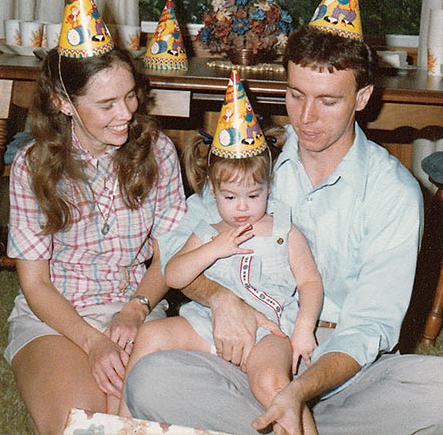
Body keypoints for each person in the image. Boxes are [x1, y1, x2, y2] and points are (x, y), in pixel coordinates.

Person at [123, 26, 443, 435]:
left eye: (328, 101)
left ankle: (280, 423)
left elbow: (370, 327)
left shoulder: (393, 192)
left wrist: (297, 392)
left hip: (343, 374)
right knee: (151, 379)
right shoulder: (255, 158)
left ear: (361, 98)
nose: (306, 117)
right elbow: (177, 251)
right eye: (296, 95)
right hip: (244, 359)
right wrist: (221, 299)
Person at [4, 0, 186, 434]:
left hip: (136, 309)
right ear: (65, 102)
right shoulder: (31, 165)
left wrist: (135, 310)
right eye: (106, 105)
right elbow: (36, 284)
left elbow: (170, 254)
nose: (125, 114)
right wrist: (91, 341)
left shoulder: (160, 152)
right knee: (80, 423)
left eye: (129, 97)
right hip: (58, 316)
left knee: (135, 417)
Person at [119, 71, 323, 435]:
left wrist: (304, 330)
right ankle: (120, 425)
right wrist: (214, 248)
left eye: (253, 195)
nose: (242, 207)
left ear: (268, 187)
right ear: (213, 191)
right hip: (207, 323)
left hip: (269, 331)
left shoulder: (283, 230)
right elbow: (173, 274)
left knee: (273, 383)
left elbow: (309, 282)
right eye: (230, 197)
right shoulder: (208, 229)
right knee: (150, 336)